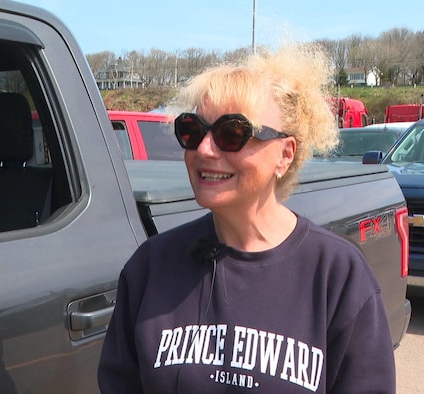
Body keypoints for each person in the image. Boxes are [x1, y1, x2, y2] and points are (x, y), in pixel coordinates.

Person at [98, 43, 396, 393]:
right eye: (193, 130)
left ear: (285, 155)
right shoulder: (150, 268)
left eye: (232, 133)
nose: (205, 149)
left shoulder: (337, 275)